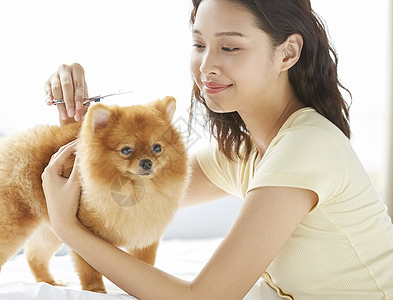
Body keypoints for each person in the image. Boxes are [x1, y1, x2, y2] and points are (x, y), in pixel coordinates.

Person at [41, 0, 393, 299]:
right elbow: (130, 194)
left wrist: (66, 229)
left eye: (230, 47)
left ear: (288, 53)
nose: (206, 65)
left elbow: (204, 298)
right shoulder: (241, 151)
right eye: (198, 45)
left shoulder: (305, 147)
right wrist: (84, 128)